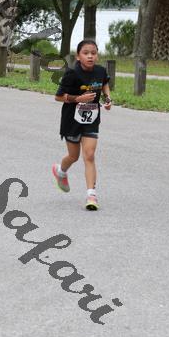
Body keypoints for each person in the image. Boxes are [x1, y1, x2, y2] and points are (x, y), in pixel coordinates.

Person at [52, 39, 112, 211]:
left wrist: (107, 98)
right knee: (73, 156)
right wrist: (78, 98)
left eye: (93, 53)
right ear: (78, 56)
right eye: (86, 53)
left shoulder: (100, 71)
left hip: (91, 119)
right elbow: (58, 97)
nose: (90, 56)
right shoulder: (72, 74)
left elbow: (104, 84)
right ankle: (60, 171)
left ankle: (91, 195)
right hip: (71, 120)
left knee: (90, 155)